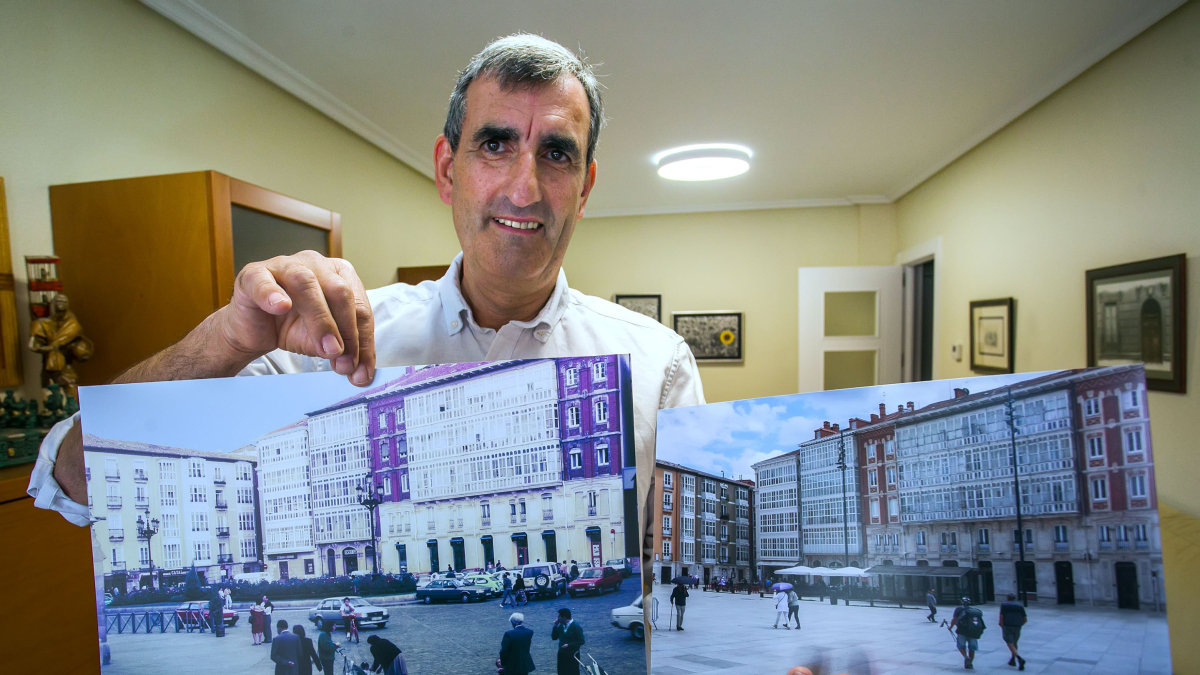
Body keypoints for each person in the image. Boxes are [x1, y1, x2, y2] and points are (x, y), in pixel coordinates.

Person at [30, 36, 706, 566]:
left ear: (585, 188)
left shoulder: (659, 366)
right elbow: (73, 479)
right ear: (448, 170)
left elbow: (688, 579)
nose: (524, 188)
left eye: (556, 153)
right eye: (495, 144)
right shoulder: (323, 344)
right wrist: (225, 340)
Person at [950, 596, 986, 670]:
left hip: (962, 630)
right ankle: (970, 663)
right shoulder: (972, 610)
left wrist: (950, 627)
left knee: (960, 645)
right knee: (972, 647)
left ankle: (966, 657)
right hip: (972, 631)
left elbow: (954, 619)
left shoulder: (958, 609)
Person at [551, 608, 584, 675]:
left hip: (573, 654)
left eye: (559, 616)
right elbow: (554, 637)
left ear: (564, 617)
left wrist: (569, 645)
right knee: (562, 672)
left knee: (573, 672)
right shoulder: (560, 627)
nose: (558, 619)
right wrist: (555, 627)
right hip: (562, 654)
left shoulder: (576, 627)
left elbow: (581, 641)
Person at [998, 593, 1027, 670]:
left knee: (1009, 643)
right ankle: (1012, 659)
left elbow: (1001, 616)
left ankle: (1019, 658)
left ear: (1007, 598)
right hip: (1017, 626)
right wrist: (1020, 625)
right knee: (1014, 643)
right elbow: (1025, 618)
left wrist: (1001, 625)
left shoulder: (1004, 605)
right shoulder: (1020, 606)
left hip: (1007, 626)